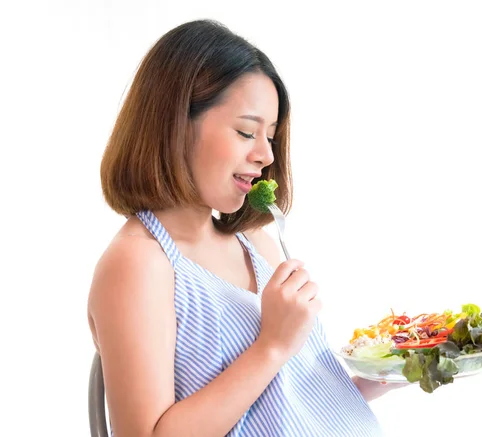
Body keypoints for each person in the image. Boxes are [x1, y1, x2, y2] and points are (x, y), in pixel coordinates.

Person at [88, 19, 397, 437]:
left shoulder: (255, 243)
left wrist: (367, 381)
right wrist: (272, 345)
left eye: (270, 136)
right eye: (246, 131)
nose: (265, 154)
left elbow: (279, 405)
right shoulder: (137, 263)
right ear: (175, 123)